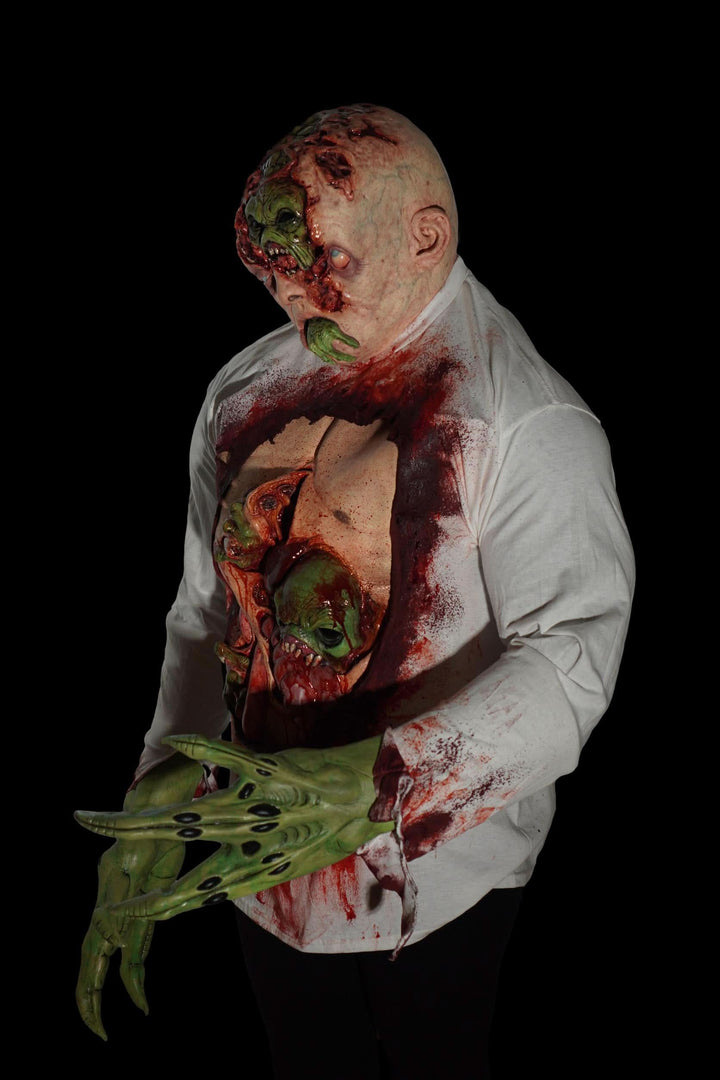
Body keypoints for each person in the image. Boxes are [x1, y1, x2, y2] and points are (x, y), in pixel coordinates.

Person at [76, 104, 635, 1078]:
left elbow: (574, 658)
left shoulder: (523, 419)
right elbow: (204, 611)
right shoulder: (242, 392)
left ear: (425, 235)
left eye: (323, 262)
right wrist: (162, 786)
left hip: (441, 879)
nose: (296, 299)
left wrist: (392, 780)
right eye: (273, 273)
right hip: (261, 857)